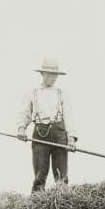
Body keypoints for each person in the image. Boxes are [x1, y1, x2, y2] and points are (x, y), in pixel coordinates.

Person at [15, 58, 76, 193]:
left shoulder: (62, 93)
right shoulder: (32, 93)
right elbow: (24, 114)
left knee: (61, 177)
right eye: (49, 74)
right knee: (40, 176)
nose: (53, 78)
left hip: (59, 135)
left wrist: (71, 138)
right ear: (42, 74)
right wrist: (21, 128)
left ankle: (64, 205)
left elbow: (69, 116)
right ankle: (36, 206)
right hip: (40, 135)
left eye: (55, 75)